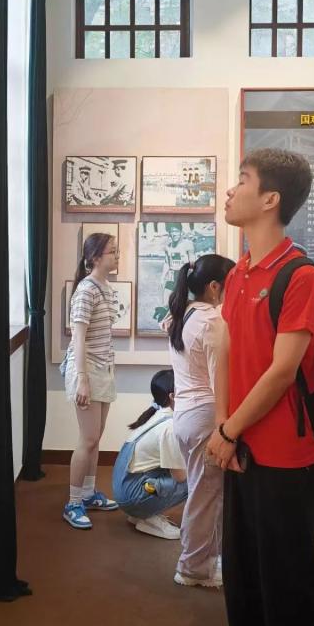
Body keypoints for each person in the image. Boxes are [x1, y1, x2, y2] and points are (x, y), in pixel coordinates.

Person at [204, 147, 314, 626]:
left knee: (289, 590)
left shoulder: (300, 276)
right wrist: (223, 428)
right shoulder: (238, 275)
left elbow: (282, 371)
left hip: (285, 458)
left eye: (242, 179)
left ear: (271, 199)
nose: (230, 190)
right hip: (241, 450)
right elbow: (228, 352)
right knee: (244, 584)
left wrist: (230, 429)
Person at [167, 253, 235, 588]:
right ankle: (192, 567)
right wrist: (226, 427)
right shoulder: (211, 321)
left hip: (186, 414)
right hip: (205, 416)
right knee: (205, 495)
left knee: (204, 491)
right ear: (214, 287)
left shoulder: (185, 313)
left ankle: (206, 561)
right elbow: (220, 380)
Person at [61, 232, 121, 529]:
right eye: (112, 251)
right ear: (96, 257)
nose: (117, 255)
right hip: (87, 370)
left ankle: (88, 493)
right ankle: (73, 503)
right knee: (87, 439)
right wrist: (82, 379)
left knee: (95, 438)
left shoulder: (106, 288)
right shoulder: (86, 290)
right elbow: (78, 338)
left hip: (103, 369)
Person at [111, 369, 188, 540]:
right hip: (132, 496)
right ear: (173, 396)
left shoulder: (156, 415)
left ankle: (142, 512)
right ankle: (145, 514)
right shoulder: (170, 427)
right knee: (198, 479)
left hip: (126, 490)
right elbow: (180, 477)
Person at [155, 223, 196, 322]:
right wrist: (162, 277)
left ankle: (184, 322)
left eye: (176, 231)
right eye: (171, 232)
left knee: (186, 303)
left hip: (184, 275)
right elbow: (167, 263)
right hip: (172, 274)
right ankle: (169, 323)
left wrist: (190, 277)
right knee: (166, 302)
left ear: (181, 232)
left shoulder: (188, 244)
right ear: (169, 233)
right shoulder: (168, 247)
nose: (174, 234)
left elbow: (193, 263)